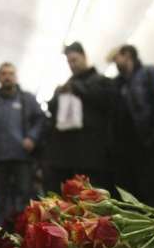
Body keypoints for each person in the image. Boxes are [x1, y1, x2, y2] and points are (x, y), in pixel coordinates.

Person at [0, 62, 45, 225]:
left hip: (22, 158)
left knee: (24, 197)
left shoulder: (27, 99)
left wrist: (32, 138)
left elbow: (41, 119)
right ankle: (0, 235)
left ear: (16, 77)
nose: (7, 77)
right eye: (4, 73)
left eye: (11, 73)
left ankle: (23, 233)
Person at [45, 42, 117, 194]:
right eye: (69, 62)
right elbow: (52, 112)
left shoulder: (101, 81)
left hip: (95, 157)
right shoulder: (66, 86)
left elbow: (106, 102)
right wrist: (58, 94)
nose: (72, 65)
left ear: (84, 56)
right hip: (68, 159)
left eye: (74, 60)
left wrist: (77, 89)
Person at [111, 44, 154, 209]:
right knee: (136, 193)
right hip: (130, 150)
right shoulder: (119, 84)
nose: (115, 62)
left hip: (149, 143)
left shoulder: (151, 73)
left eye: (117, 58)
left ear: (128, 55)